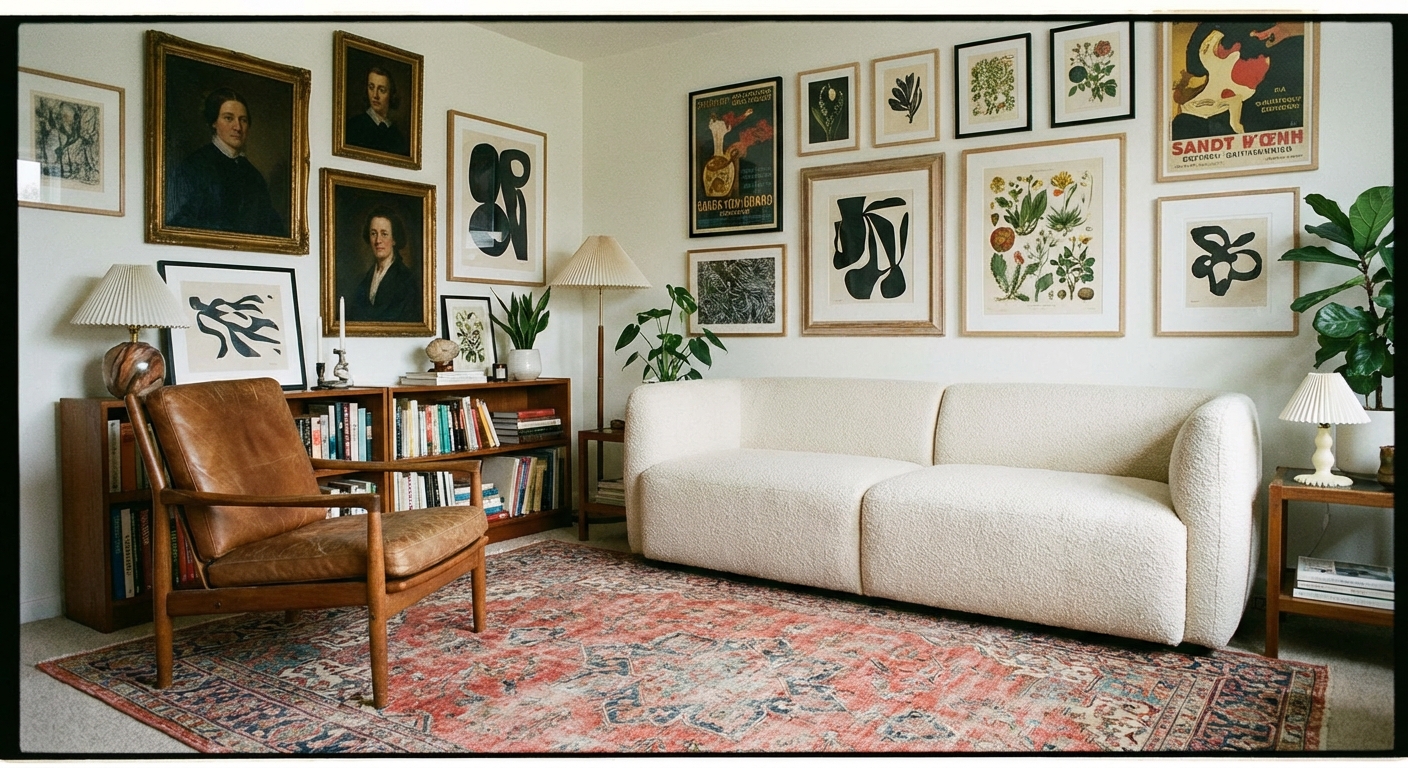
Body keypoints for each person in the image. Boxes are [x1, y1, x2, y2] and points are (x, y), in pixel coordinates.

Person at [165, 87, 284, 236]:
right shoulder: (194, 166)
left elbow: (271, 227)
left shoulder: (254, 176)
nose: (238, 127)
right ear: (214, 122)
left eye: (243, 120)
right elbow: (179, 221)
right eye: (229, 118)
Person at [345, 206, 420, 323]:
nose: (378, 240)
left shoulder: (406, 279)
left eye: (384, 234)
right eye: (373, 233)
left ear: (394, 239)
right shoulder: (364, 280)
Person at [344, 66, 410, 155]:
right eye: (371, 87)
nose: (375, 95)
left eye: (382, 90)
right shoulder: (354, 126)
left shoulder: (397, 136)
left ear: (391, 94)